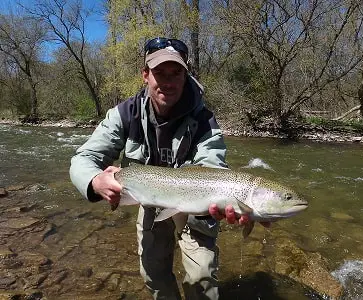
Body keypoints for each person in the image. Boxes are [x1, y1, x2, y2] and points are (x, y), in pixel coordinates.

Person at [70, 37, 256, 300]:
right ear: (145, 75)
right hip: (149, 200)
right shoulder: (125, 114)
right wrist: (95, 180)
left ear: (185, 74)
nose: (168, 81)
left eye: (175, 72)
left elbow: (213, 167)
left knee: (202, 279)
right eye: (159, 73)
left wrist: (227, 205)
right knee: (154, 276)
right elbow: (83, 158)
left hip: (194, 206)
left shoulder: (204, 120)